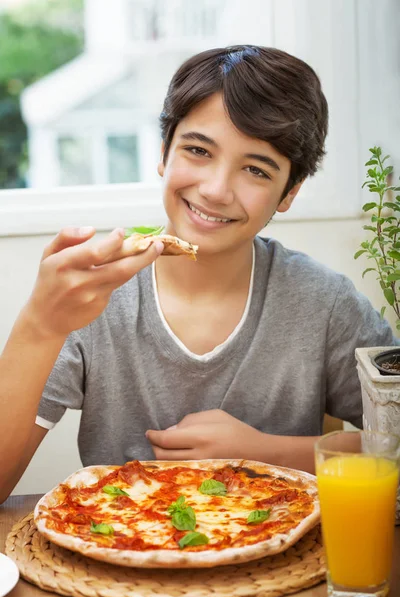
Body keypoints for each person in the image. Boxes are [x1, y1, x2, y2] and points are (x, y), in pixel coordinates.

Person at [0, 45, 396, 504]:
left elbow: (393, 445)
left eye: (255, 169)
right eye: (197, 150)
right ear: (164, 153)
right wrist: (40, 324)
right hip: (119, 551)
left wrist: (262, 453)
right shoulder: (93, 294)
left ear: (289, 192)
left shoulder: (325, 303)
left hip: (283, 562)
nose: (215, 189)